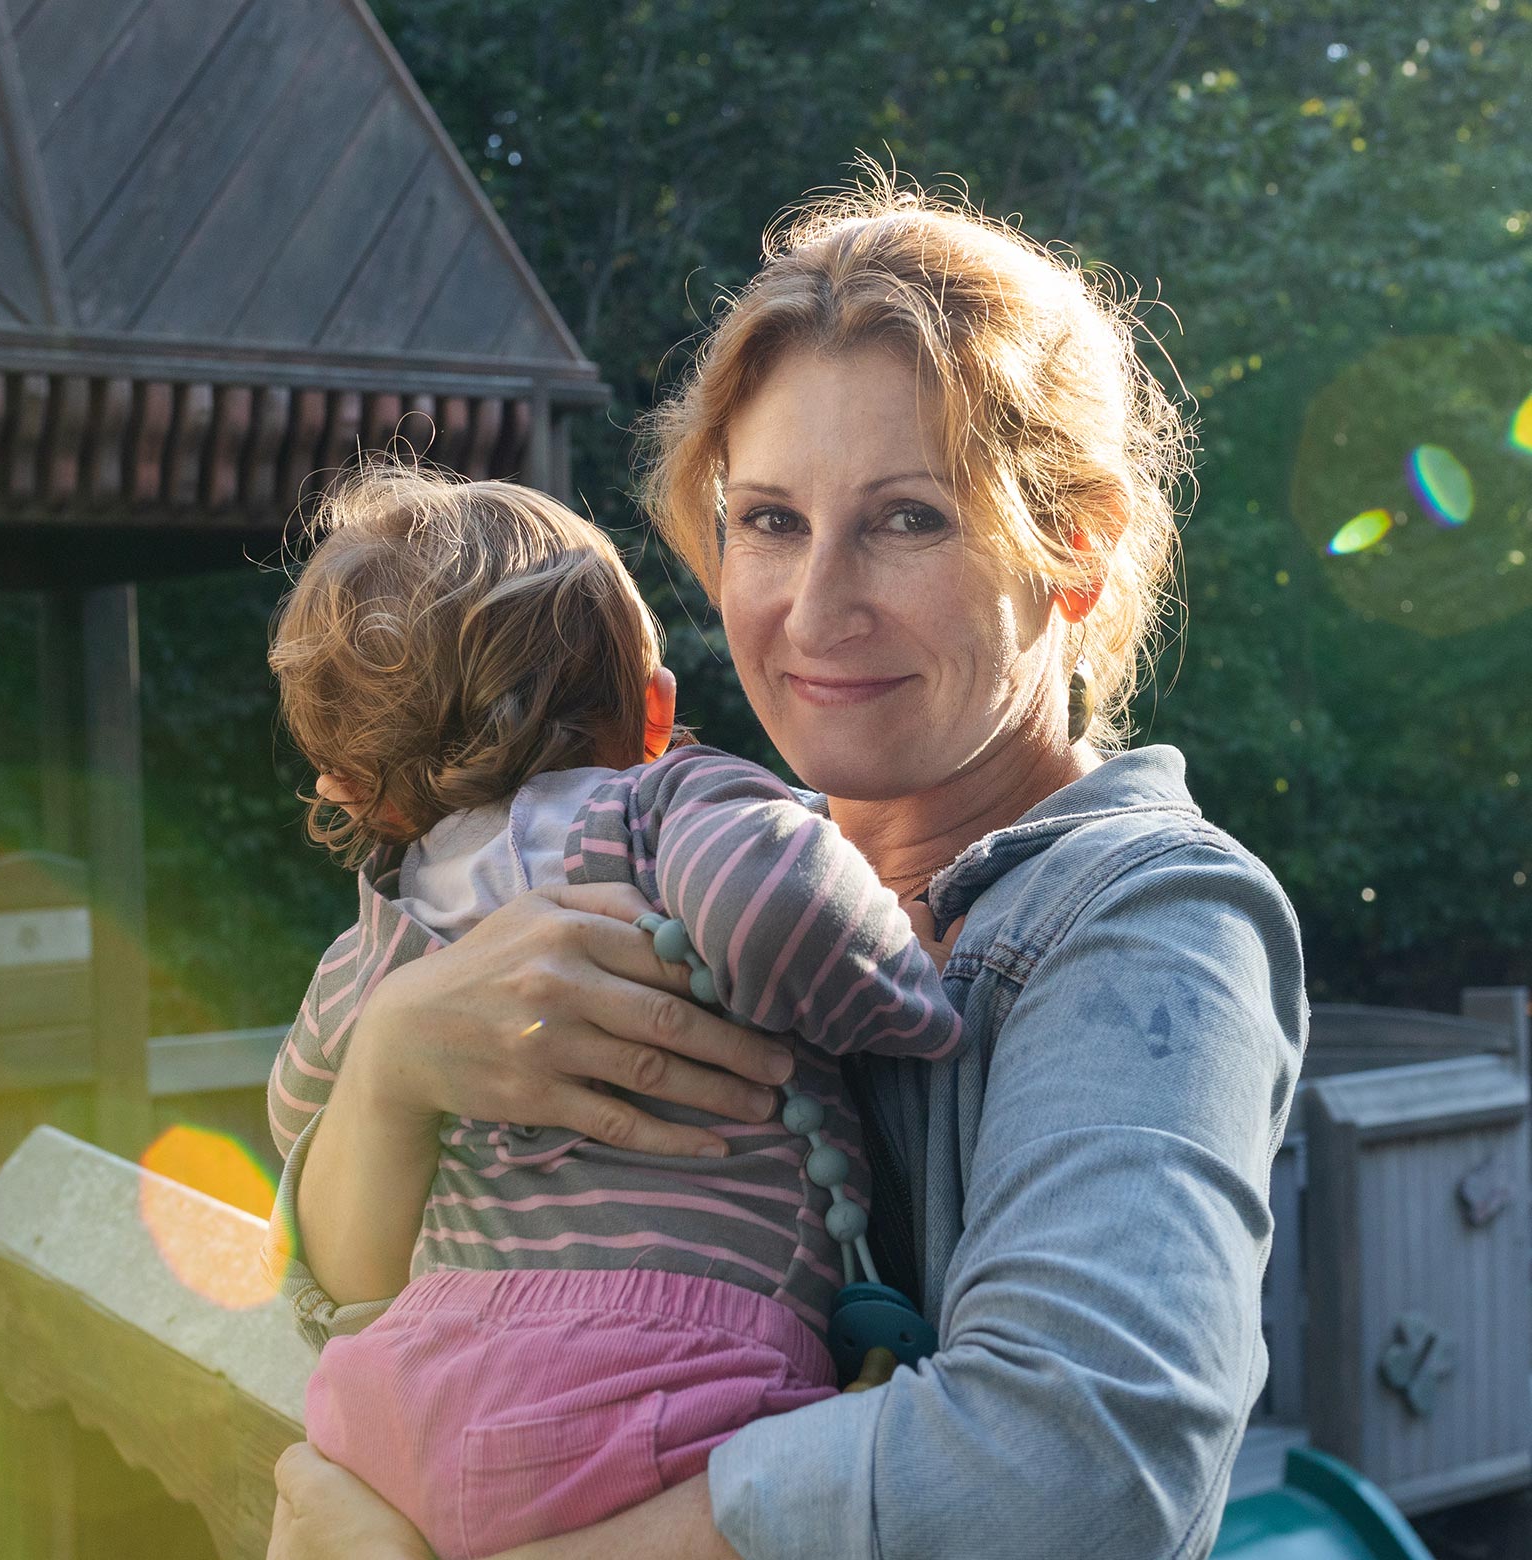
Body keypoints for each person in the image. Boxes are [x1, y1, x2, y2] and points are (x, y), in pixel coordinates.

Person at [266, 172, 1307, 1560]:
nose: (816, 611)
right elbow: (353, 1304)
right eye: (768, 520)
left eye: (907, 518)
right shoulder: (654, 867)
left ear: (1076, 547)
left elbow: (1078, 1461)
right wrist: (394, 1062)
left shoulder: (1151, 922)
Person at [263, 466, 964, 1560]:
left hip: (407, 1418)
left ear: (359, 792)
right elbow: (777, 908)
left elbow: (297, 1111)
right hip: (663, 1390)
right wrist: (917, 988)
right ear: (653, 710)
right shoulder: (667, 806)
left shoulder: (376, 947)